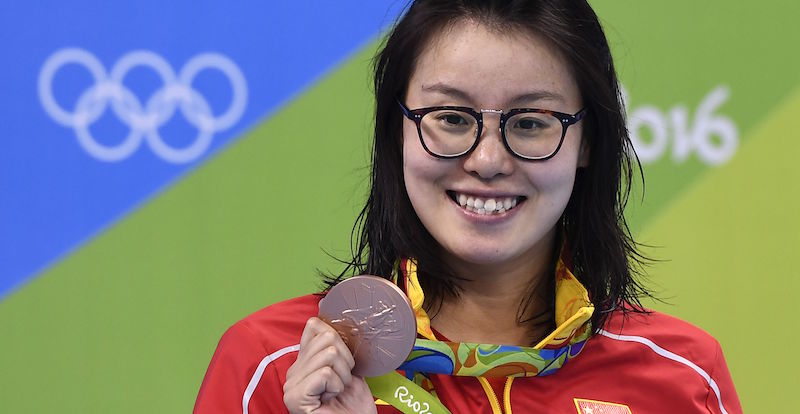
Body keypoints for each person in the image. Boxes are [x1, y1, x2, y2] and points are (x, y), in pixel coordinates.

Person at [194, 1, 742, 413]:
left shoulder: (682, 377)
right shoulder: (273, 367)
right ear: (397, 132)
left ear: (588, 143)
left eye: (530, 122)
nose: (486, 160)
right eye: (452, 118)